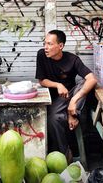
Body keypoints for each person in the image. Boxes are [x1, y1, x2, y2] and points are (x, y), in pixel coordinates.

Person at [35, 29, 97, 158]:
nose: (46, 47)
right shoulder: (41, 55)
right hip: (57, 99)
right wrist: (57, 85)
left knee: (83, 84)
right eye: (45, 43)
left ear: (60, 46)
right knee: (54, 118)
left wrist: (74, 100)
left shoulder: (73, 60)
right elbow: (41, 80)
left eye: (50, 44)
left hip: (72, 95)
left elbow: (92, 79)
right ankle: (65, 154)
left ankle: (72, 113)